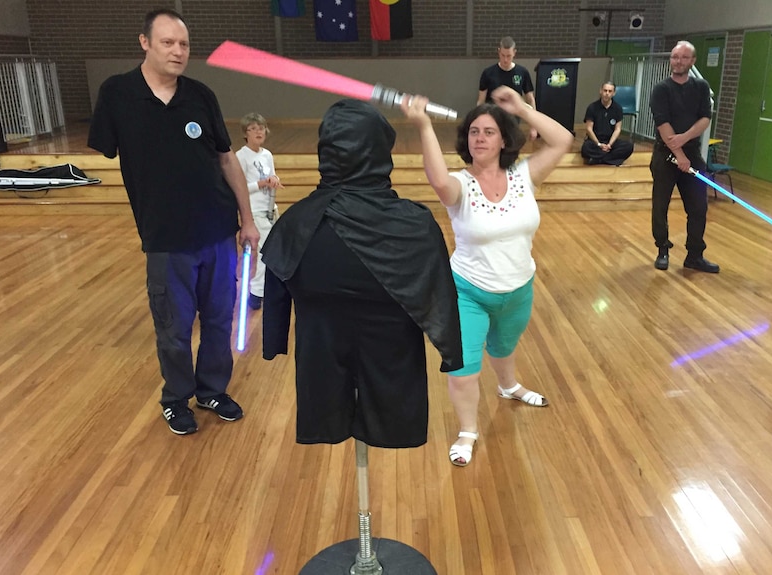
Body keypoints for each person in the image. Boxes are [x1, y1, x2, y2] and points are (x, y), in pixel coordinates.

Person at [88, 9, 259, 435]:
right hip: (165, 240)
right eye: (167, 42)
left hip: (218, 234)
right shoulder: (117, 94)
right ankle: (176, 398)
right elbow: (104, 151)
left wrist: (247, 219)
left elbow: (226, 158)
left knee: (220, 319)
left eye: (183, 44)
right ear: (144, 42)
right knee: (173, 328)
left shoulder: (201, 95)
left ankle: (212, 389)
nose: (178, 51)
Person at [260, 99, 462, 449]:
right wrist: (451, 353)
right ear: (380, 150)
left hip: (320, 367)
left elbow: (276, 287)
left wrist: (273, 341)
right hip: (394, 368)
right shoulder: (414, 227)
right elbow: (441, 298)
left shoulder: (295, 224)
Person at [402, 86, 573, 466]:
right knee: (463, 371)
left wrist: (523, 109)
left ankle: (509, 386)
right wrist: (424, 125)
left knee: (504, 347)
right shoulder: (460, 184)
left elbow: (563, 139)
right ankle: (467, 431)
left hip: (519, 288)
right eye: (474, 132)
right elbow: (437, 180)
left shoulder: (525, 176)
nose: (480, 138)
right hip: (468, 291)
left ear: (504, 139)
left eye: (489, 131)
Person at [649, 41, 719, 273]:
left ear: (692, 61)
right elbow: (663, 123)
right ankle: (662, 250)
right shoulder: (661, 89)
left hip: (692, 154)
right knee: (661, 206)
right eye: (675, 57)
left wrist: (684, 138)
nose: (678, 61)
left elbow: (705, 118)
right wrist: (678, 153)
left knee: (698, 207)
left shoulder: (701, 87)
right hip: (665, 155)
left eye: (684, 57)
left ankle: (695, 255)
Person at [236, 113, 282, 311]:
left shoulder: (267, 154)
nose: (258, 132)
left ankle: (264, 289)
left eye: (261, 128)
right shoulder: (241, 156)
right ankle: (256, 292)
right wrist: (261, 183)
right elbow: (240, 186)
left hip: (270, 208)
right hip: (254, 211)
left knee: (272, 251)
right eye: (253, 128)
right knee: (263, 252)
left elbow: (270, 175)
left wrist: (274, 181)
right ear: (245, 133)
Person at [478, 36, 537, 139]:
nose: (505, 59)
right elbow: (480, 101)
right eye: (503, 55)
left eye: (509, 56)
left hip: (513, 122)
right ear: (498, 52)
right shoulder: (488, 73)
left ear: (514, 52)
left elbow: (530, 100)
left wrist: (533, 127)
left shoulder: (522, 72)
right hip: (492, 120)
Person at [581, 82, 634, 166]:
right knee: (586, 148)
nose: (607, 93)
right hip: (595, 142)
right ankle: (610, 160)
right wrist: (599, 144)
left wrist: (609, 144)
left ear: (614, 93)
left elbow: (617, 129)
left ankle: (598, 160)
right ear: (601, 91)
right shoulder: (592, 107)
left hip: (610, 142)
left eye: (610, 91)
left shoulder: (617, 108)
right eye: (605, 90)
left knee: (628, 146)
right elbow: (589, 129)